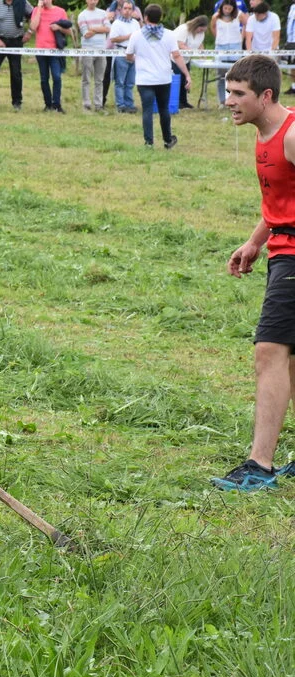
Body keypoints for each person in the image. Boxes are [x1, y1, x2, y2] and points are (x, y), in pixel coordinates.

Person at [212, 54, 295, 491]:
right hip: (282, 248)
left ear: (265, 95)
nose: (228, 100)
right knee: (290, 357)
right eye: (228, 91)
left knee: (270, 351)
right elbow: (282, 199)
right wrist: (254, 241)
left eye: (238, 93)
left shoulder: (292, 136)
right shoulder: (264, 131)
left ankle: (259, 467)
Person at [126, 3, 190, 148]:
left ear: (145, 17)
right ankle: (167, 139)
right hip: (163, 78)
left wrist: (137, 58)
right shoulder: (169, 34)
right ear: (160, 17)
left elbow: (129, 55)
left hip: (144, 79)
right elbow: (176, 56)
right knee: (163, 109)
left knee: (147, 110)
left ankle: (149, 142)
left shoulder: (136, 35)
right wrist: (187, 74)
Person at [0, 0, 33, 108]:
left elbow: (34, 16)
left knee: (16, 72)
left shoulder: (23, 2)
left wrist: (30, 32)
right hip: (0, 41)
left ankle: (17, 102)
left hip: (16, 41)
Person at [29, 0, 71, 112]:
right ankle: (48, 105)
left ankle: (56, 104)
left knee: (57, 77)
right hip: (41, 50)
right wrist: (39, 8)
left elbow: (69, 31)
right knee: (44, 78)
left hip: (55, 50)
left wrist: (59, 28)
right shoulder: (36, 10)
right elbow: (33, 27)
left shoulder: (60, 11)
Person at [212, 0, 246, 105]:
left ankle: (236, 98)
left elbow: (246, 25)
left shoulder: (239, 14)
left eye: (230, 9)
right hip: (221, 46)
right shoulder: (216, 16)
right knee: (221, 74)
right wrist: (218, 37)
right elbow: (213, 27)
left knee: (236, 73)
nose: (227, 11)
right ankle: (222, 100)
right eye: (225, 8)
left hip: (235, 45)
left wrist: (242, 37)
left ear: (233, 9)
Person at [77, 0, 109, 111]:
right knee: (86, 78)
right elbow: (86, 34)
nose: (92, 1)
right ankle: (86, 104)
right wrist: (100, 29)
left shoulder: (103, 13)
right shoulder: (82, 15)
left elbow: (108, 28)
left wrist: (92, 28)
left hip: (101, 50)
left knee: (99, 80)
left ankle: (98, 105)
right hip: (87, 50)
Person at [110, 0, 139, 113]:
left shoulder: (135, 23)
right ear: (121, 10)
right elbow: (113, 38)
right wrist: (128, 36)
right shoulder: (117, 23)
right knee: (120, 81)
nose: (127, 11)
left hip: (134, 54)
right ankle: (120, 105)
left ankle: (129, 104)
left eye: (129, 9)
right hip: (121, 53)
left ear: (133, 10)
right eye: (125, 8)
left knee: (130, 82)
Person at [172, 15, 207, 109]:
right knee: (178, 80)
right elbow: (180, 44)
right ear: (196, 25)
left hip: (186, 59)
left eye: (203, 30)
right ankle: (177, 102)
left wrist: (203, 55)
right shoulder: (183, 29)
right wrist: (192, 51)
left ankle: (184, 101)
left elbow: (200, 45)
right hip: (175, 58)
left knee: (185, 80)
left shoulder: (201, 33)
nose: (201, 31)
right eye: (200, 29)